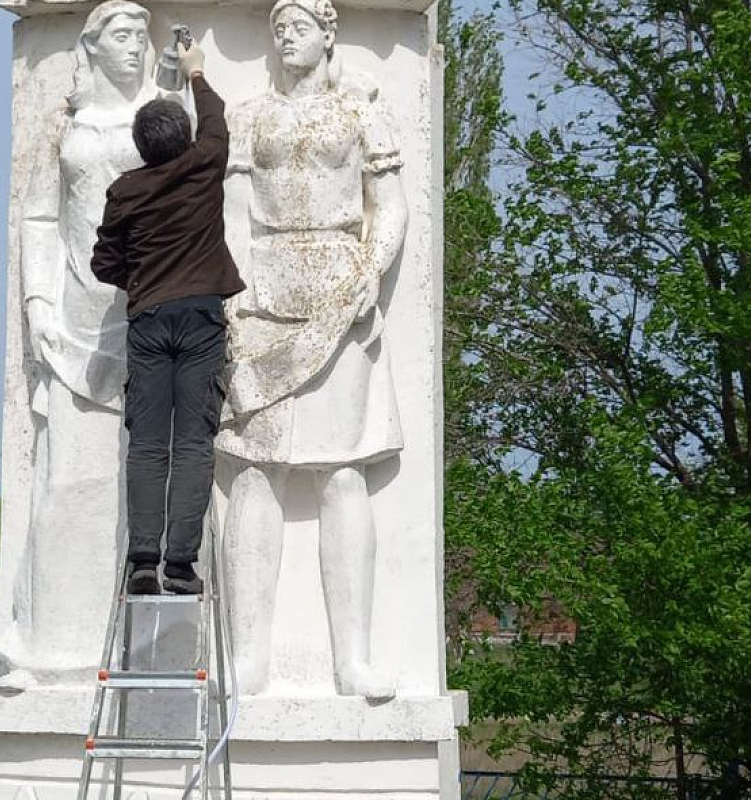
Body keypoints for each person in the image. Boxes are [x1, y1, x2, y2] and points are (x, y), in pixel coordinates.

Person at [217, 0, 408, 700]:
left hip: (338, 289)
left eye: (298, 26)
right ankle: (247, 660)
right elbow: (233, 212)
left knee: (343, 474)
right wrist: (234, 294)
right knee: (253, 473)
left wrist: (370, 273)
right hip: (264, 293)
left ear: (329, 33)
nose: (284, 37)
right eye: (277, 28)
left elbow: (389, 206)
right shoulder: (249, 115)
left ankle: (351, 660)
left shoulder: (361, 111)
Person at [0, 0, 158, 691]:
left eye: (141, 37)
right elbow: (37, 217)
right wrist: (36, 303)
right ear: (92, 46)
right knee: (63, 486)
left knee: (138, 493)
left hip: (146, 318)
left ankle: (133, 650)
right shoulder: (66, 127)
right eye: (122, 35)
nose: (134, 47)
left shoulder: (161, 119)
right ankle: (45, 648)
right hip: (72, 323)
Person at [91, 39, 245, 596]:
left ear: (140, 146)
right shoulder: (205, 164)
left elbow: (103, 261)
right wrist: (197, 70)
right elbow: (217, 123)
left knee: (149, 444)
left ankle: (141, 561)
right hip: (201, 318)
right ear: (183, 141)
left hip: (150, 321)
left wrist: (143, 282)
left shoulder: (126, 190)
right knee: (195, 443)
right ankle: (181, 566)